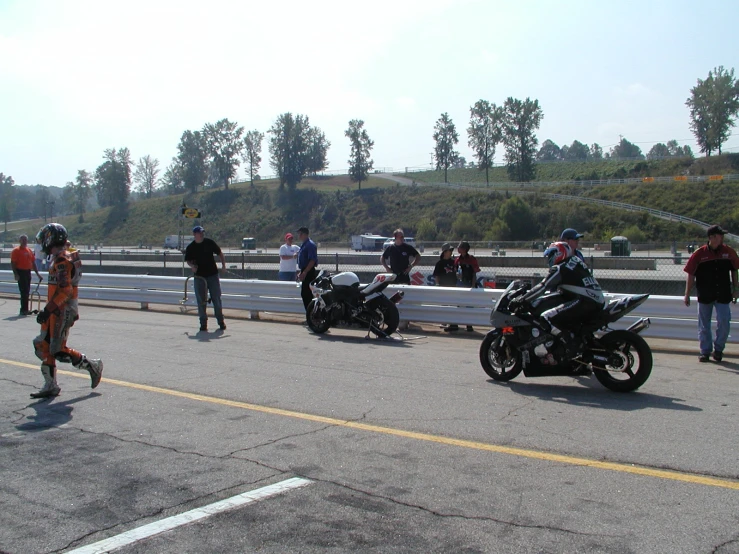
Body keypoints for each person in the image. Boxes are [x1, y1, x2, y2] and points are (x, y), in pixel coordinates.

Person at [30, 223, 103, 398]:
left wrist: (48, 310)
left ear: (51, 239)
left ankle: (92, 365)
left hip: (62, 310)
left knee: (58, 350)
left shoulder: (63, 260)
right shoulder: (61, 256)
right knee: (42, 345)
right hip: (55, 309)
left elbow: (65, 290)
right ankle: (50, 385)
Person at [519, 241, 605, 356]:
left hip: (585, 300)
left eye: (551, 255)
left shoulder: (560, 267)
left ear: (559, 253)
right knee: (561, 316)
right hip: (592, 299)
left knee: (546, 317)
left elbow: (543, 286)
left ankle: (569, 346)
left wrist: (523, 300)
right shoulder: (574, 261)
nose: (549, 259)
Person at [683, 225, 739, 362]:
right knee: (704, 325)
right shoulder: (699, 254)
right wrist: (687, 293)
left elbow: (734, 270)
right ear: (712, 238)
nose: (722, 238)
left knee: (724, 322)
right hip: (705, 294)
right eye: (720, 235)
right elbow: (691, 274)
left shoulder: (729, 252)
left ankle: (718, 349)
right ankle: (705, 351)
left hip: (723, 294)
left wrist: (736, 289)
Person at [184, 225, 226, 332]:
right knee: (201, 300)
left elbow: (220, 253)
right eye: (199, 232)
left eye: (202, 232)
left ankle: (220, 321)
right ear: (195, 235)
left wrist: (223, 266)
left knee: (216, 298)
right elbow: (188, 260)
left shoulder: (209, 243)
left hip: (212, 275)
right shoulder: (191, 247)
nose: (202, 234)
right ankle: (203, 323)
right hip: (199, 277)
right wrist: (192, 266)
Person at [11, 234, 43, 316]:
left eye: (25, 240)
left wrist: (38, 274)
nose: (24, 241)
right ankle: (23, 309)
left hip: (27, 272)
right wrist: (16, 274)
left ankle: (26, 309)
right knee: (23, 291)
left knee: (27, 291)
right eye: (23, 240)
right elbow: (13, 263)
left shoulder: (29, 250)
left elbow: (33, 263)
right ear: (20, 241)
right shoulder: (16, 250)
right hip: (20, 272)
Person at [433, 243, 460, 332]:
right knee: (444, 305)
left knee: (452, 305)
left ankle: (453, 323)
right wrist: (437, 285)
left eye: (451, 250)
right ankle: (445, 321)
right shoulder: (440, 263)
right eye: (449, 250)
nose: (451, 252)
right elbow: (437, 275)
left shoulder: (454, 262)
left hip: (453, 285)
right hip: (443, 286)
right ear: (445, 252)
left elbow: (458, 272)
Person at [455, 241, 480, 332]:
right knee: (458, 304)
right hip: (459, 283)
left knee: (469, 305)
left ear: (465, 249)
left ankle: (469, 324)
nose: (458, 248)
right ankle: (455, 323)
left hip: (469, 283)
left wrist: (473, 285)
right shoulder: (457, 259)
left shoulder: (471, 259)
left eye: (459, 247)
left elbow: (474, 273)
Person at [296, 227, 318, 310]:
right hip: (305, 270)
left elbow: (312, 260)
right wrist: (301, 272)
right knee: (305, 294)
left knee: (307, 294)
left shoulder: (310, 245)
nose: (299, 236)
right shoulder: (304, 244)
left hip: (309, 271)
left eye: (300, 234)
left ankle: (311, 315)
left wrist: (305, 272)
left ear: (304, 234)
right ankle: (309, 314)